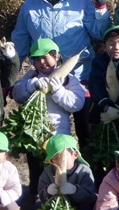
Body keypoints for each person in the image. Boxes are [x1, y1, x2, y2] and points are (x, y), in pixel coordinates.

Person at [11, 0, 109, 84]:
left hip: (79, 75)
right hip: (45, 79)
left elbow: (100, 33)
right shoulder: (29, 6)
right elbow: (20, 44)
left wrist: (101, 8)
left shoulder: (81, 1)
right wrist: (9, 78)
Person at [11, 38, 86, 191]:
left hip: (58, 133)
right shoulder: (30, 76)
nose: (42, 62)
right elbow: (17, 95)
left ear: (56, 56)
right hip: (34, 133)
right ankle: (36, 196)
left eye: (45, 57)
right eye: (37, 59)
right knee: (36, 171)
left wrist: (59, 91)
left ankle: (60, 196)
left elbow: (77, 103)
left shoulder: (68, 79)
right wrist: (32, 85)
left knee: (59, 170)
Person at [34, 134, 96, 210]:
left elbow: (90, 196)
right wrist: (47, 191)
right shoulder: (48, 171)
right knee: (36, 208)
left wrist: (75, 190)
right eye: (55, 158)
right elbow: (41, 193)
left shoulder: (84, 170)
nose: (59, 161)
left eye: (62, 157)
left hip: (77, 206)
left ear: (75, 155)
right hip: (55, 207)